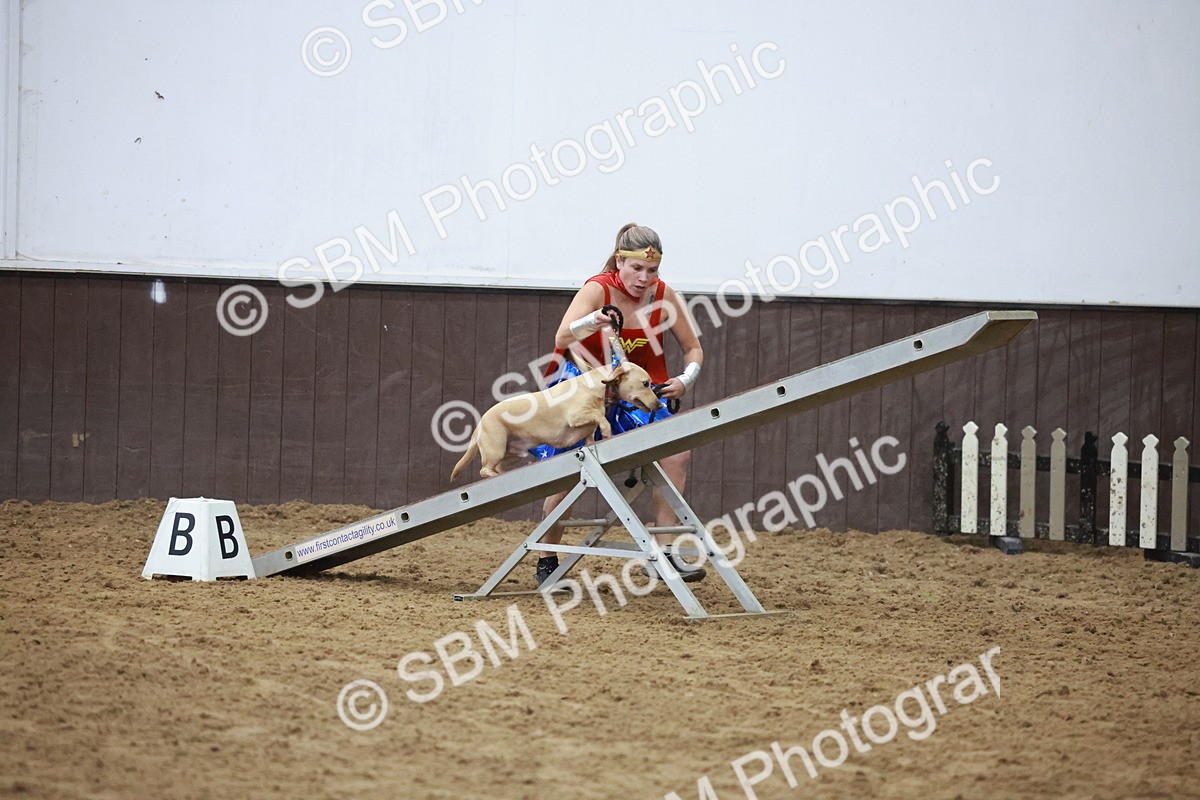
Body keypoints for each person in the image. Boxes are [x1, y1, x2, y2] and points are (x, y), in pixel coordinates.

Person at [532, 223, 705, 587]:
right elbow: (562, 336)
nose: (644, 279)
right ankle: (547, 556)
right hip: (587, 385)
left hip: (638, 392)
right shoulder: (597, 288)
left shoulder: (664, 295)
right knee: (569, 467)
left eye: (652, 271)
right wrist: (594, 319)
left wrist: (684, 381)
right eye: (637, 269)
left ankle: (665, 552)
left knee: (677, 452)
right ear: (619, 261)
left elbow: (693, 349)